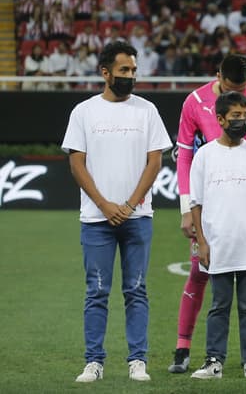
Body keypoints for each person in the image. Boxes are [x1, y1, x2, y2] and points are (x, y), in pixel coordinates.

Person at [63, 40, 171, 384]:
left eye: (134, 71)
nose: (130, 76)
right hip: (96, 219)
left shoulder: (147, 110)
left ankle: (137, 360)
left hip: (137, 218)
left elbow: (155, 162)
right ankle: (94, 362)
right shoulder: (83, 112)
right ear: (105, 72)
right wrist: (106, 205)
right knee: (96, 291)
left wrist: (128, 205)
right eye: (124, 70)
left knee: (136, 290)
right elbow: (76, 163)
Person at [171, 55, 246, 375]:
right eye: (232, 89)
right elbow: (184, 154)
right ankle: (184, 348)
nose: (240, 96)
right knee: (201, 274)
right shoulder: (194, 102)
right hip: (213, 205)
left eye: (243, 90)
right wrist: (185, 209)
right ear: (218, 76)